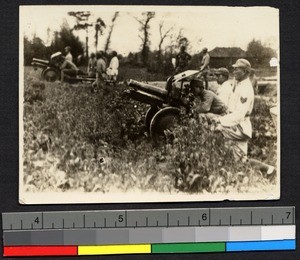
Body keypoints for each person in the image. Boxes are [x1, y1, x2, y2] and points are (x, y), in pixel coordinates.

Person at [213, 59, 275, 175]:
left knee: (214, 129)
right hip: (236, 125)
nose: (234, 71)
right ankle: (269, 170)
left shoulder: (246, 89)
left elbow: (239, 114)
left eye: (237, 69)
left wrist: (220, 120)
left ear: (246, 72)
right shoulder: (239, 84)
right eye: (234, 68)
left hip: (240, 126)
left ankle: (217, 165)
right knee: (241, 161)